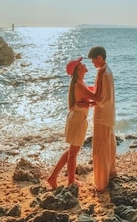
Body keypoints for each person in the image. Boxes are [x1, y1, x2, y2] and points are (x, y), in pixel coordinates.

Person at [47, 56, 99, 189]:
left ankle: (53, 177)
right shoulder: (79, 85)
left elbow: (91, 96)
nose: (84, 64)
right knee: (73, 153)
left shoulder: (80, 83)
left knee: (71, 151)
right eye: (81, 64)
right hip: (78, 120)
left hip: (76, 118)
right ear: (77, 70)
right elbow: (97, 97)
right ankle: (70, 181)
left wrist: (90, 103)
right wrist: (92, 102)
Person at [87, 45, 116, 192]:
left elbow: (105, 98)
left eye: (93, 60)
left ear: (100, 58)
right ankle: (110, 174)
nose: (93, 64)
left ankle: (101, 182)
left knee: (101, 148)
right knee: (108, 144)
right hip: (108, 114)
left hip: (103, 116)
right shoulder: (106, 71)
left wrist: (90, 101)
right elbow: (104, 94)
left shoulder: (103, 73)